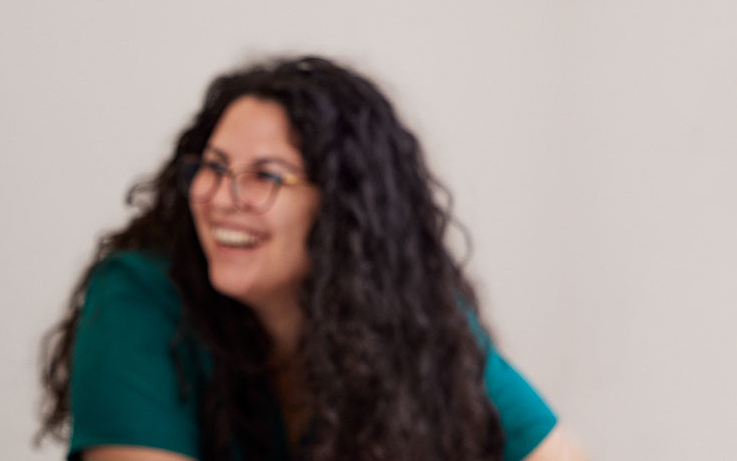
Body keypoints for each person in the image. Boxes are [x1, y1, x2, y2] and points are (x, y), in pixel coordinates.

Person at [38, 56, 584, 461]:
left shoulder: (412, 317)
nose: (222, 197)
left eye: (266, 176)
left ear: (341, 210)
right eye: (214, 166)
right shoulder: (140, 296)